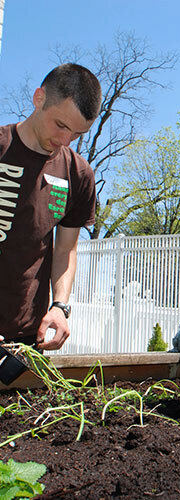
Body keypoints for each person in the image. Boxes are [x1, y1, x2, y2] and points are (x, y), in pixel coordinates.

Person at [0, 63, 101, 350]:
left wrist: (60, 306)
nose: (64, 141)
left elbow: (66, 249)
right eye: (61, 125)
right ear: (39, 98)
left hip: (25, 337)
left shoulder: (78, 174)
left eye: (77, 134)